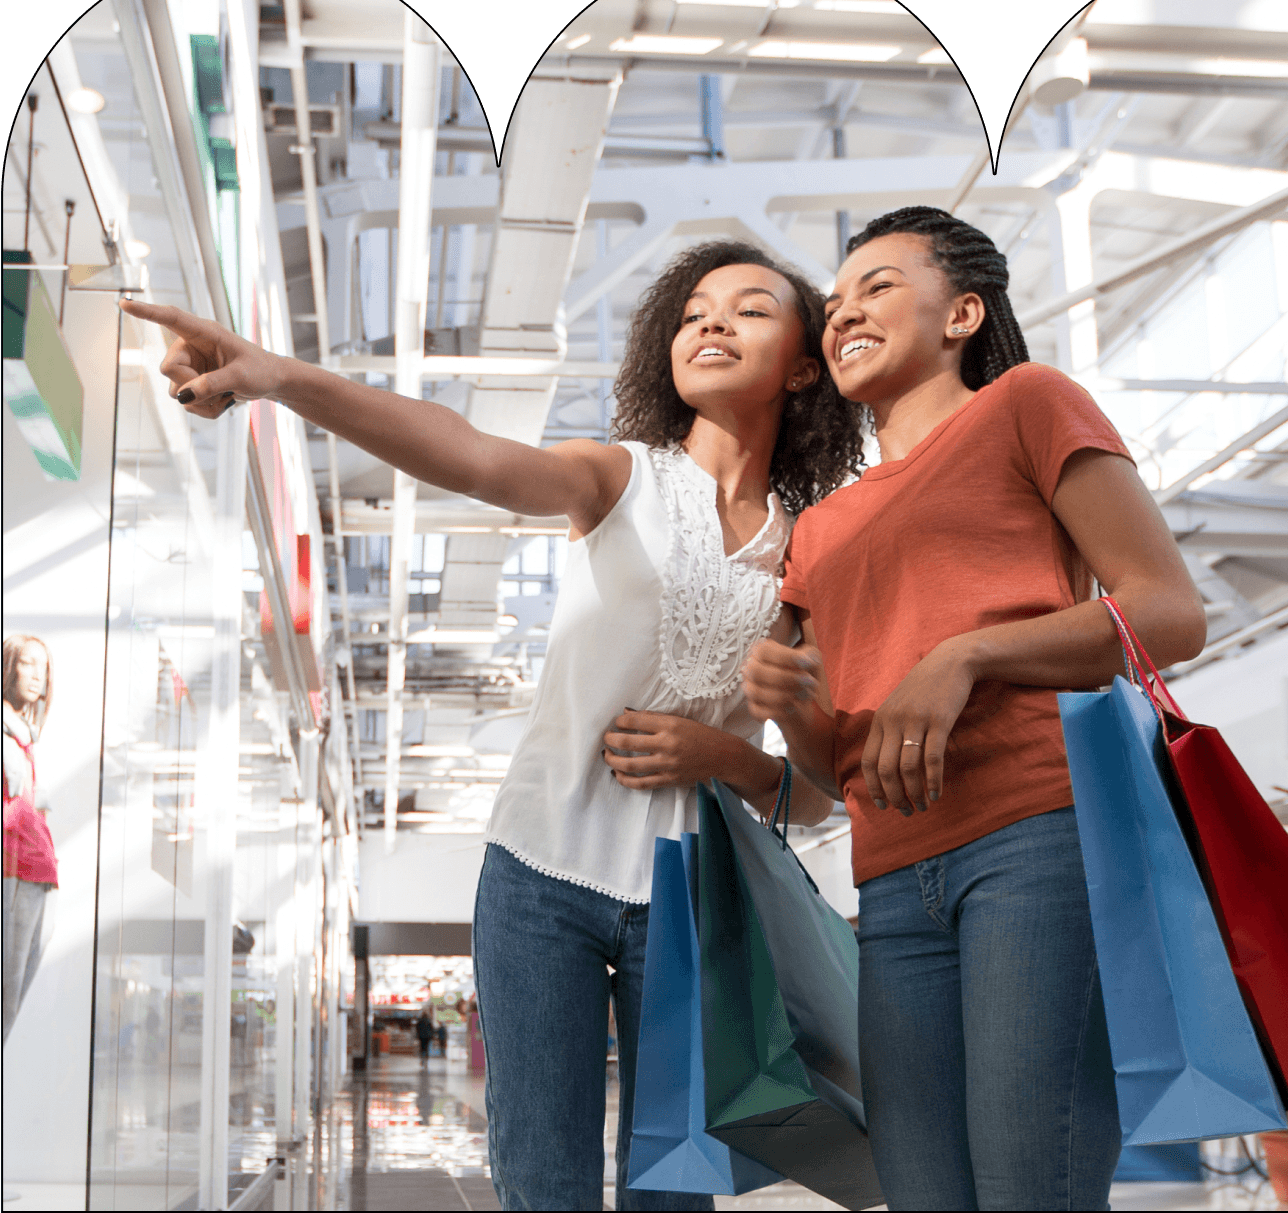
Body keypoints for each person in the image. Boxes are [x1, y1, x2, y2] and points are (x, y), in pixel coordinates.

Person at [121, 237, 863, 1211]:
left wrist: (723, 751)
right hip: (537, 872)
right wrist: (278, 377)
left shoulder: (812, 547)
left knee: (672, 1184)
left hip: (691, 898)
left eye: (749, 308)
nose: (711, 321)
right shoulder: (617, 477)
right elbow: (467, 454)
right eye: (691, 312)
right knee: (538, 1172)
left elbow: (815, 786)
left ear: (805, 364)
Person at [743, 206, 1208, 1211]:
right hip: (889, 873)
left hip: (1033, 837)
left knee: (1024, 1180)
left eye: (876, 285)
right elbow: (832, 767)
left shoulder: (1025, 406)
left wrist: (967, 653)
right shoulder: (818, 529)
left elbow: (1169, 614)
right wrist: (790, 709)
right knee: (919, 1191)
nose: (842, 311)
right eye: (833, 302)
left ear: (960, 311)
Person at [3, 633, 58, 1044]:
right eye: (28, 663)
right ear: (8, 667)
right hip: (12, 870)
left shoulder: (26, 737)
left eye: (44, 666)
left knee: (15, 1000)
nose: (37, 675)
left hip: (39, 873)